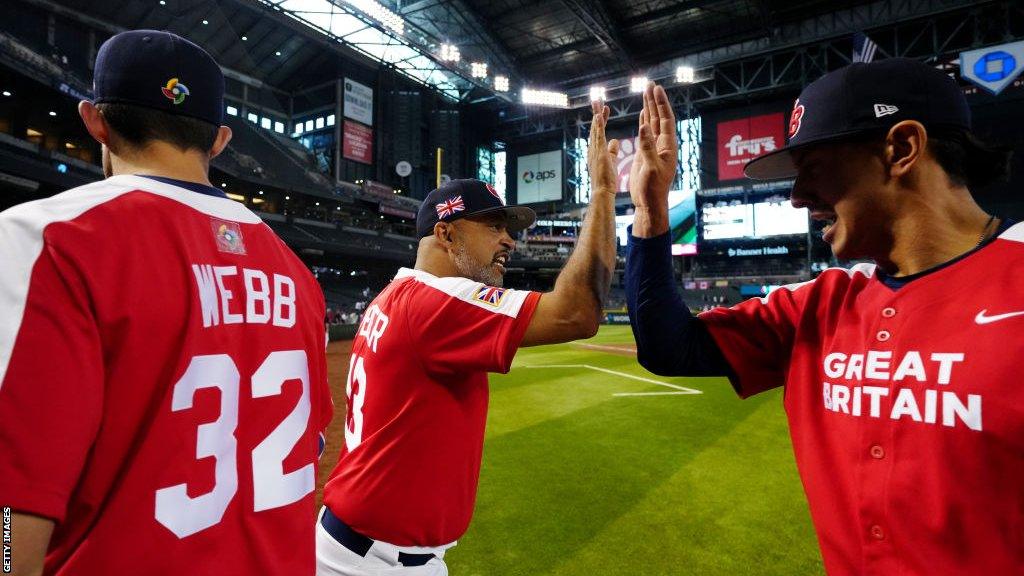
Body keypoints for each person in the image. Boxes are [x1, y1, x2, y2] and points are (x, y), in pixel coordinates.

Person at [626, 61, 1021, 575]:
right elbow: (667, 345)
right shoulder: (819, 305)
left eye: (812, 168)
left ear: (901, 149)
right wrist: (652, 207)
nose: (797, 197)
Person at [0, 30, 333, 575]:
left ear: (94, 120)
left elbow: (13, 505)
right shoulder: (297, 275)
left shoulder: (51, 238)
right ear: (220, 139)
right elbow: (311, 441)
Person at [316, 100, 620, 576]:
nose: (510, 241)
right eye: (494, 227)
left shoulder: (393, 297)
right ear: (446, 235)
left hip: (364, 546)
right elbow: (577, 314)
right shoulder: (437, 302)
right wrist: (603, 192)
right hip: (375, 563)